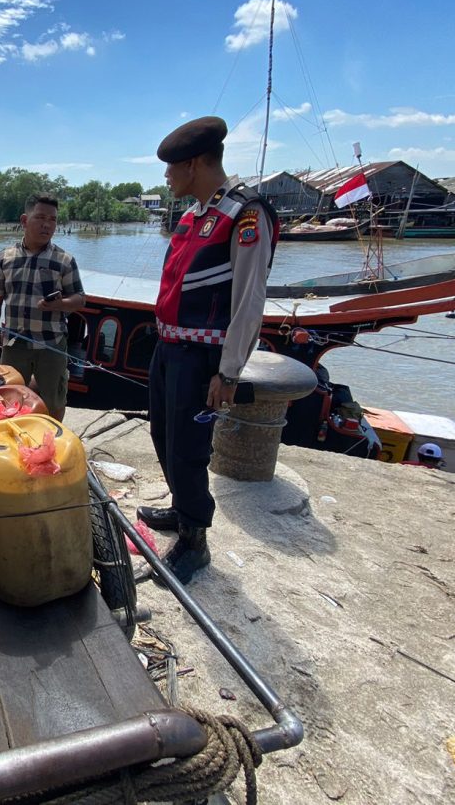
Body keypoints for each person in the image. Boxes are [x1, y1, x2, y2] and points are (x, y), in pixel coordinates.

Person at [137, 116, 280, 585]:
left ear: (195, 163)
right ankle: (182, 510)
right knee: (165, 437)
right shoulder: (193, 215)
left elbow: (249, 301)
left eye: (171, 167)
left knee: (190, 449)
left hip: (203, 358)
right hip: (169, 349)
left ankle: (195, 540)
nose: (166, 177)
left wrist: (230, 371)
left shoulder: (245, 215)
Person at [0, 192, 86, 421]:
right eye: (40, 217)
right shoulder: (5, 257)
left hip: (52, 345)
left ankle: (52, 443)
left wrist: (60, 304)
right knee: (8, 400)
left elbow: (80, 298)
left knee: (54, 402)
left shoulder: (64, 260)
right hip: (13, 344)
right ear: (24, 220)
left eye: (53, 219)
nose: (47, 224)